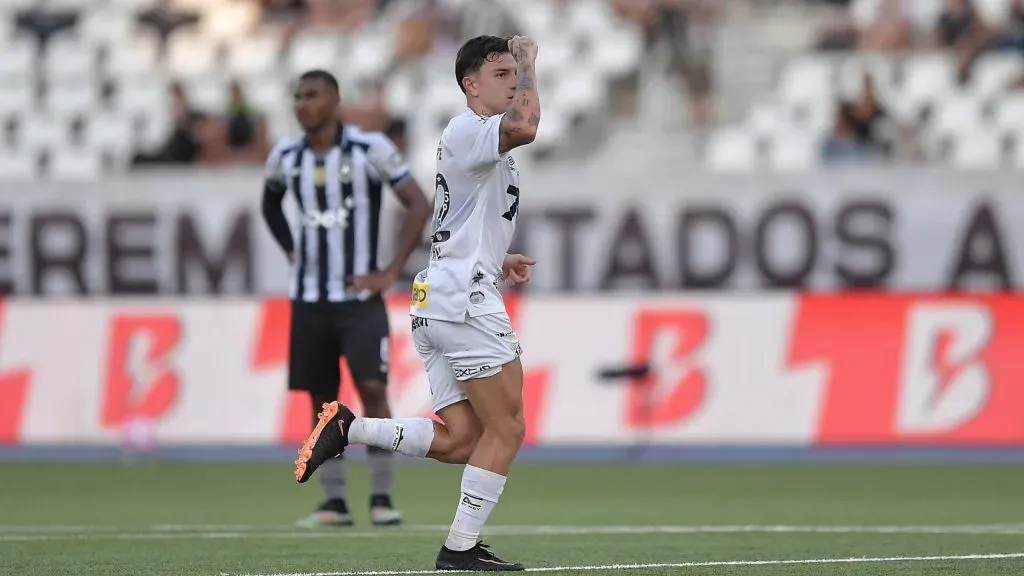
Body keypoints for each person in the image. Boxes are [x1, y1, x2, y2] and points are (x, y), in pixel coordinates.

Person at [294, 34, 541, 571]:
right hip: (464, 303)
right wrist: (528, 61)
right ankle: (459, 551)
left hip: (443, 296)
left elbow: (459, 223)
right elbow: (526, 125)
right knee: (509, 428)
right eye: (500, 74)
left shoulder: (477, 142)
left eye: (513, 73)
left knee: (463, 441)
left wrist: (499, 259)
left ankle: (348, 429)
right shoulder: (470, 128)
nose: (514, 81)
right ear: (470, 85)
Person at [262, 69, 432, 528]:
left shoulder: (369, 149)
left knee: (374, 390)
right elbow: (269, 203)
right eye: (297, 96)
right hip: (310, 300)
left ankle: (381, 496)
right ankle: (334, 503)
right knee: (322, 400)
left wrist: (391, 271)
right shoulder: (285, 155)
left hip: (359, 299)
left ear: (335, 100)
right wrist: (292, 248)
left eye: (312, 95)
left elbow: (419, 203)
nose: (303, 104)